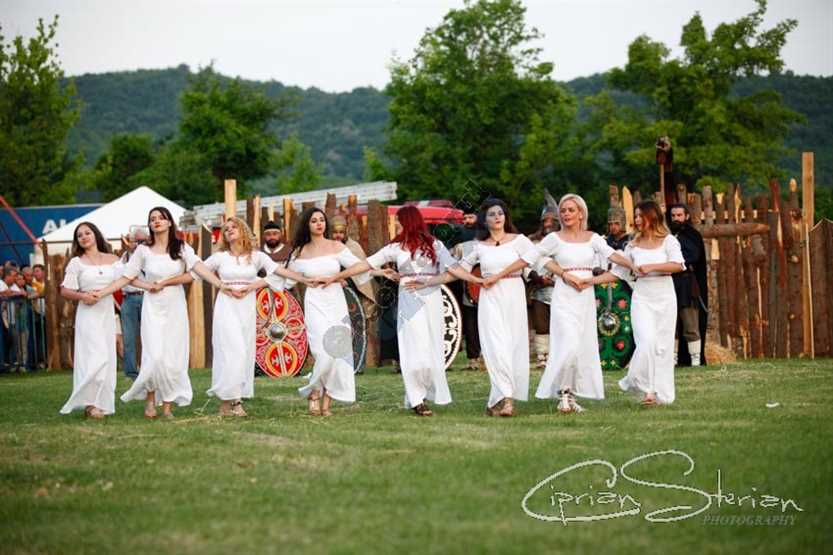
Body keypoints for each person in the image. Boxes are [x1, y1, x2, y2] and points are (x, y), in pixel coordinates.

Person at [328, 206, 482, 416]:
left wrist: (478, 280)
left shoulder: (435, 245)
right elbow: (365, 265)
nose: (396, 225)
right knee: (413, 348)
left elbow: (455, 270)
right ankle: (417, 399)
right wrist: (336, 276)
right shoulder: (395, 247)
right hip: (409, 301)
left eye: (399, 221)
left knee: (432, 348)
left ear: (408, 221)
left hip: (432, 300)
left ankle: (422, 394)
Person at [95, 207, 226, 419]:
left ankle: (167, 406)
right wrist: (103, 292)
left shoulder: (181, 247)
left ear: (169, 222)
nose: (156, 221)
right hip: (153, 305)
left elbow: (198, 268)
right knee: (154, 355)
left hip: (175, 304)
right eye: (152, 219)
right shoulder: (143, 250)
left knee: (172, 357)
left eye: (160, 218)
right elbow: (127, 276)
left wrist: (221, 284)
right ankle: (150, 398)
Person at [524, 194, 635, 413]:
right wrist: (563, 274)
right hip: (564, 295)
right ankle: (563, 393)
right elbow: (535, 257)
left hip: (585, 296)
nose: (566, 214)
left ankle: (570, 394)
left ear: (581, 214)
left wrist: (633, 265)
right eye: (563, 210)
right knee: (569, 345)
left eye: (571, 210)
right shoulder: (554, 238)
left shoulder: (593, 238)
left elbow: (612, 255)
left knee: (581, 348)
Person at [201, 217, 311, 417]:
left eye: (234, 227)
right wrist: (221, 285)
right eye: (226, 229)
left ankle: (226, 403)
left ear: (243, 230)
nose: (229, 230)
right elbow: (198, 269)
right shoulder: (220, 257)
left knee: (243, 352)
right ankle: (235, 402)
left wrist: (305, 279)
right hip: (226, 306)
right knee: (231, 351)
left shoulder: (257, 256)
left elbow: (278, 272)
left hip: (246, 307)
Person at [271, 207, 370, 417]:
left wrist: (337, 277)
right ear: (307, 225)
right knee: (322, 352)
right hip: (314, 303)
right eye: (314, 220)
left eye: (322, 220)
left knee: (337, 351)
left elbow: (360, 267)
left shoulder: (337, 246)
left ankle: (326, 402)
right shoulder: (300, 251)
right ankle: (314, 392)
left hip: (336, 302)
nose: (319, 224)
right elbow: (286, 279)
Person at [590, 200, 685, 406]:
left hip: (665, 296)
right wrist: (588, 282)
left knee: (662, 347)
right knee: (646, 341)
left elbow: (678, 265)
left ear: (653, 216)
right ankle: (641, 384)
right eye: (636, 216)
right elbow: (618, 274)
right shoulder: (632, 245)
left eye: (641, 216)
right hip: (642, 297)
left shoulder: (668, 241)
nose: (637, 220)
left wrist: (652, 267)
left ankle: (657, 392)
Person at [453, 199, 540, 417]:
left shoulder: (519, 240)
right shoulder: (479, 246)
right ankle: (507, 400)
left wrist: (498, 275)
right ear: (485, 220)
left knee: (512, 346)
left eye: (500, 213)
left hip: (513, 293)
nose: (497, 217)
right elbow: (458, 269)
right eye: (491, 214)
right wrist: (478, 280)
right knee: (495, 346)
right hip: (490, 297)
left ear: (506, 216)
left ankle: (498, 398)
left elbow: (530, 258)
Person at [58, 222, 125, 418]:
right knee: (94, 357)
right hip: (88, 315)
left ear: (96, 234)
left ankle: (100, 402)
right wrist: (82, 296)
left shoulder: (114, 259)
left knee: (107, 358)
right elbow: (64, 290)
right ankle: (89, 404)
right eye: (79, 235)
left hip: (107, 314)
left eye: (87, 233)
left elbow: (126, 280)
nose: (84, 237)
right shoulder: (76, 262)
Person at [668, 203, 708, 367]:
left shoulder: (693, 235)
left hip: (686, 284)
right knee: (671, 325)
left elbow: (693, 257)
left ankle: (695, 360)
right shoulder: (667, 235)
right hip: (669, 283)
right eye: (673, 215)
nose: (676, 218)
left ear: (687, 216)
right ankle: (672, 359)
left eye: (679, 215)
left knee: (690, 324)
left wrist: (674, 261)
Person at [526, 199, 559, 369]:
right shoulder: (532, 242)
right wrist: (537, 278)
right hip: (539, 288)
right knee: (541, 324)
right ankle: (542, 356)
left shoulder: (563, 240)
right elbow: (525, 264)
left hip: (560, 289)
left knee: (559, 324)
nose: (548, 224)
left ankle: (556, 356)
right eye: (545, 220)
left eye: (551, 221)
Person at [118, 226, 149, 380]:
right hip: (129, 298)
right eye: (135, 241)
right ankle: (131, 373)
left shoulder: (149, 256)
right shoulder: (123, 258)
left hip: (147, 297)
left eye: (141, 241)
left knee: (150, 335)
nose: (137, 244)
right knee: (129, 338)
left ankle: (148, 369)